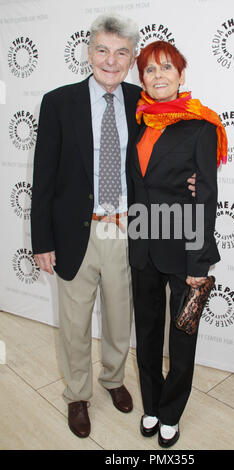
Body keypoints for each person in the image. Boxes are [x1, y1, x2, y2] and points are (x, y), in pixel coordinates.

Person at [31, 14, 142, 438]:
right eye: (102, 50)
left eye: (121, 53)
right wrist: (42, 239)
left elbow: (157, 163)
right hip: (75, 231)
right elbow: (44, 177)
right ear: (89, 52)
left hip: (124, 231)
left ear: (131, 60)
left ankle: (113, 379)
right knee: (75, 324)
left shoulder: (141, 102)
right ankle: (78, 394)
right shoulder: (59, 102)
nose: (110, 61)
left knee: (119, 319)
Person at [128, 40, 227, 448]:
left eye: (167, 68)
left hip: (185, 248)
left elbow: (205, 196)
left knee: (182, 337)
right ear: (143, 80)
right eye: (150, 70)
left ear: (181, 75)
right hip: (141, 243)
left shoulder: (201, 126)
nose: (158, 76)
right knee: (148, 333)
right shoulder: (137, 121)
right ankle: (151, 404)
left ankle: (171, 412)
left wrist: (199, 262)